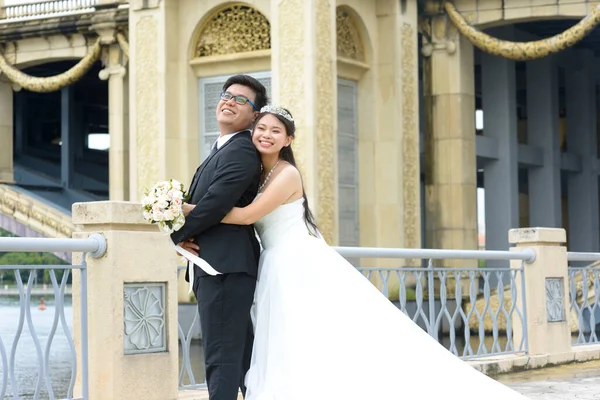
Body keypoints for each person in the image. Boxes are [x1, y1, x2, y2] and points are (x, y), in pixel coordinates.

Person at [215, 105, 529, 399]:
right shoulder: (258, 173)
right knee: (291, 339)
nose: (266, 135)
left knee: (310, 334)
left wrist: (187, 213)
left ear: (288, 139)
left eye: (275, 131)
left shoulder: (286, 174)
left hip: (296, 262)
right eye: (262, 129)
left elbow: (245, 216)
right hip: (277, 262)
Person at [170, 74, 267, 400]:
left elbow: (215, 203)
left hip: (224, 268)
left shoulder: (241, 151)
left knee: (221, 358)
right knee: (240, 358)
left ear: (255, 115)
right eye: (227, 95)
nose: (229, 101)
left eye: (241, 99)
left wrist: (177, 236)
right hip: (216, 265)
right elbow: (204, 204)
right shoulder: (221, 148)